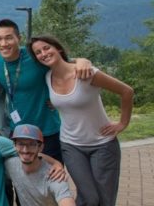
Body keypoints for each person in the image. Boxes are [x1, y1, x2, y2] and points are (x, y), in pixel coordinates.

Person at [30, 36, 132, 206]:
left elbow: (126, 91)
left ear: (58, 48)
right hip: (71, 146)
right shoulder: (47, 77)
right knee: (88, 197)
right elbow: (66, 102)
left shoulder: (86, 72)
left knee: (105, 199)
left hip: (102, 144)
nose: (43, 53)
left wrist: (123, 123)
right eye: (38, 52)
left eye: (46, 48)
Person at [0, 19, 93, 161]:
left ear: (18, 38)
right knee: (23, 178)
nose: (3, 44)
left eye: (9, 38)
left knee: (52, 177)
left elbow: (63, 62)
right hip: (17, 131)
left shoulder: (33, 56)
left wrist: (82, 61)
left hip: (46, 130)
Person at [4, 125, 76, 206]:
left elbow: (66, 199)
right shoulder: (10, 165)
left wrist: (56, 163)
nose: (25, 150)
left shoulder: (54, 175)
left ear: (41, 147)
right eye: (20, 144)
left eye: (32, 144)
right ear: (14, 146)